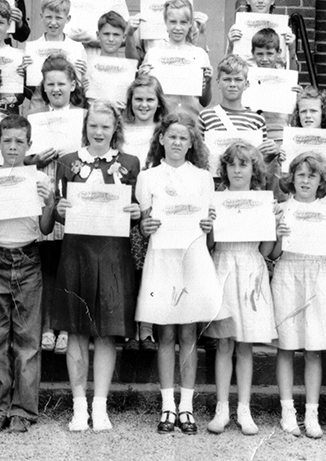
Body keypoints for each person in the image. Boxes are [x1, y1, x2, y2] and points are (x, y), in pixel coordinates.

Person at [53, 100, 141, 432]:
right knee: (76, 329)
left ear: (115, 129)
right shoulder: (68, 162)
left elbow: (135, 214)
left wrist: (137, 214)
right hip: (77, 253)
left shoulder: (130, 163)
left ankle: (100, 405)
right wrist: (61, 209)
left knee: (106, 333)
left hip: (113, 254)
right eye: (93, 126)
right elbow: (61, 212)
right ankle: (78, 406)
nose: (99, 132)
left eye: (105, 126)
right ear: (85, 127)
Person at [135, 112, 220, 435]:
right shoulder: (148, 178)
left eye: (183, 138)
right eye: (171, 136)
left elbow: (209, 228)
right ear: (161, 139)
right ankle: (167, 406)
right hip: (162, 258)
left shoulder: (202, 177)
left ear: (191, 143)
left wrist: (209, 226)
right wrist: (146, 226)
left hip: (191, 258)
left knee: (188, 334)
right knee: (165, 335)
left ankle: (187, 407)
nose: (177, 142)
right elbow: (144, 226)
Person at [0, 115, 55, 434]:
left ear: (29, 145)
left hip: (27, 257)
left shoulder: (39, 180)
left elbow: (46, 228)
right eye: (7, 141)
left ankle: (23, 409)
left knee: (27, 339)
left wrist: (49, 203)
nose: (12, 146)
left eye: (19, 141)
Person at [203, 140, 277, 435]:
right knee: (224, 342)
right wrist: (207, 227)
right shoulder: (216, 198)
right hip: (222, 267)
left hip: (250, 269)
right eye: (231, 164)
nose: (237, 169)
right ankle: (222, 408)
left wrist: (272, 223)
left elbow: (268, 250)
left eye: (243, 164)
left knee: (245, 344)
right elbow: (210, 246)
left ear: (253, 169)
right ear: (224, 169)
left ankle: (244, 409)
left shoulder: (261, 200)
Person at [270, 152, 326, 439]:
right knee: (287, 346)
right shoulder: (281, 208)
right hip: (288, 273)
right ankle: (287, 411)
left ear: (321, 181)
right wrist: (277, 234)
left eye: (311, 176)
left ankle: (312, 413)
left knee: (315, 348)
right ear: (291, 178)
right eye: (300, 175)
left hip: (318, 276)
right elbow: (274, 255)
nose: (305, 180)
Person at [26, 55, 86, 355]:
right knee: (48, 259)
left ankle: (66, 326)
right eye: (50, 84)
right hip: (44, 186)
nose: (56, 88)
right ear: (44, 87)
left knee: (69, 261)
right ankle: (48, 325)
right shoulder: (34, 118)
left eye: (62, 83)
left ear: (72, 85)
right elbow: (23, 156)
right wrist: (34, 159)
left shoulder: (83, 116)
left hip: (74, 186)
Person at [121, 75, 169, 350]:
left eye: (150, 99)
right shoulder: (122, 130)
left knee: (153, 268)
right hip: (127, 204)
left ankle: (148, 327)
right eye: (138, 99)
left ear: (158, 102)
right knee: (130, 268)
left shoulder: (163, 130)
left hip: (156, 205)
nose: (144, 104)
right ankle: (130, 325)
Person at [197, 56, 277, 173]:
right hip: (214, 182)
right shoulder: (205, 116)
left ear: (246, 84)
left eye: (238, 79)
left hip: (246, 185)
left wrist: (270, 154)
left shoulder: (257, 119)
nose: (232, 84)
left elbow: (260, 164)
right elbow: (198, 155)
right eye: (227, 79)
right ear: (218, 82)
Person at [141, 0, 213, 119]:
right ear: (165, 22)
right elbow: (145, 96)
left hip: (190, 122)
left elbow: (204, 102)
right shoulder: (154, 54)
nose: (178, 28)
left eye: (183, 22)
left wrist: (208, 82)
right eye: (173, 22)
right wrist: (142, 78)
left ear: (190, 23)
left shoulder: (199, 55)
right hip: (161, 122)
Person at [227, 0, 296, 68]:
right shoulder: (237, 28)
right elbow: (226, 68)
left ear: (272, 0)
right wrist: (231, 46)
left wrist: (292, 48)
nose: (260, 1)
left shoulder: (284, 30)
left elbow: (292, 71)